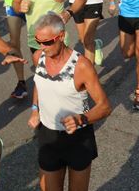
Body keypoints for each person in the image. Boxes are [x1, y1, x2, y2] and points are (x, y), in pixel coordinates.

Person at [28, 12, 112, 191]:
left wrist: (80, 119)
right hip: (48, 135)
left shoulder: (81, 66)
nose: (42, 47)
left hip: (77, 139)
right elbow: (39, 83)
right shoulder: (39, 57)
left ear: (61, 36)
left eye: (47, 42)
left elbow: (105, 107)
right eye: (38, 41)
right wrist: (35, 109)